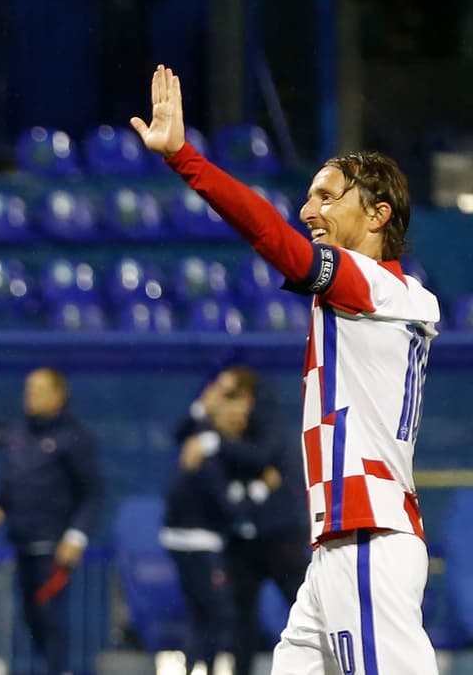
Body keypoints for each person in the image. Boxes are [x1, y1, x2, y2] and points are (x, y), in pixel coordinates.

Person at [133, 65, 441, 674]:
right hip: (339, 543)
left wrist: (185, 159)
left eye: (327, 196)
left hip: (367, 537)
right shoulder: (382, 297)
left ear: (377, 215)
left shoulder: (378, 288)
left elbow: (273, 237)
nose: (308, 209)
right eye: (308, 196)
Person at [177, 366, 308, 675]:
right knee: (239, 619)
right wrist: (202, 411)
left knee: (305, 605)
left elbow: (261, 456)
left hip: (281, 535)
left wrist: (215, 444)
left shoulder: (268, 423)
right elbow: (181, 437)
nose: (221, 396)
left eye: (227, 390)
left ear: (246, 395)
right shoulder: (223, 427)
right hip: (241, 539)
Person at [0, 369, 103, 675]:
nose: (29, 395)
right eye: (27, 389)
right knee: (30, 618)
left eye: (38, 390)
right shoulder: (19, 435)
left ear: (59, 395)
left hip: (54, 547)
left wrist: (76, 537)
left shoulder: (75, 437)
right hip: (23, 544)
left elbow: (94, 493)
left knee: (51, 618)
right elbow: (10, 480)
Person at [159, 372, 257, 675]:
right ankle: (198, 669)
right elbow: (227, 505)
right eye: (232, 407)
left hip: (197, 538)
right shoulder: (203, 442)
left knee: (206, 614)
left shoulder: (217, 442)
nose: (239, 417)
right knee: (217, 614)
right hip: (195, 540)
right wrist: (258, 491)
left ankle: (200, 668)